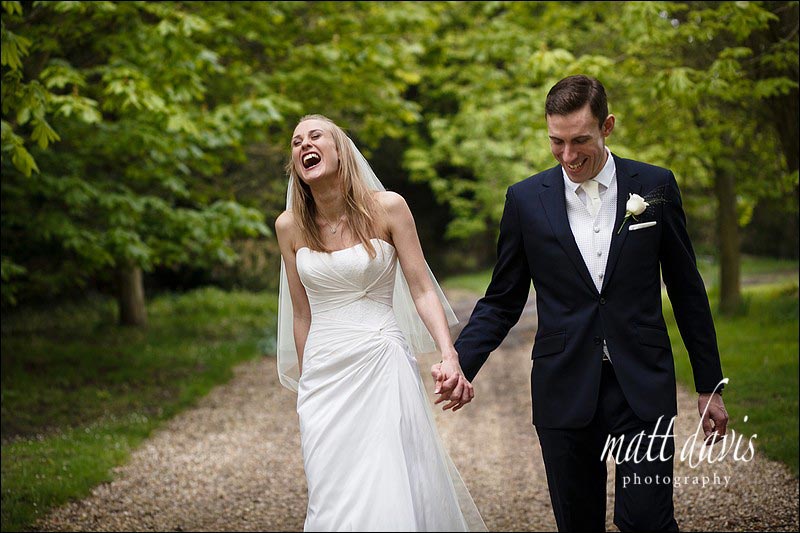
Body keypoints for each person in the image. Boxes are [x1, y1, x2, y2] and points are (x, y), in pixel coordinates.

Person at [432, 75, 728, 532]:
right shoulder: (525, 200)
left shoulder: (655, 186)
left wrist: (709, 384)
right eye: (557, 142)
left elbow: (687, 290)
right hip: (563, 385)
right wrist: (461, 363)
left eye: (580, 140)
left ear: (607, 126)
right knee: (578, 523)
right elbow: (502, 300)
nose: (568, 155)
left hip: (641, 383)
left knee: (648, 521)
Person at [275, 114, 485, 531]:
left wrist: (449, 355)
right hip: (323, 374)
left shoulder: (388, 207)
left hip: (381, 361)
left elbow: (422, 288)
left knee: (388, 478)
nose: (304, 145)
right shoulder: (289, 227)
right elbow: (301, 313)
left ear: (341, 150)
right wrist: (307, 380)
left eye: (315, 136)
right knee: (331, 488)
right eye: (297, 142)